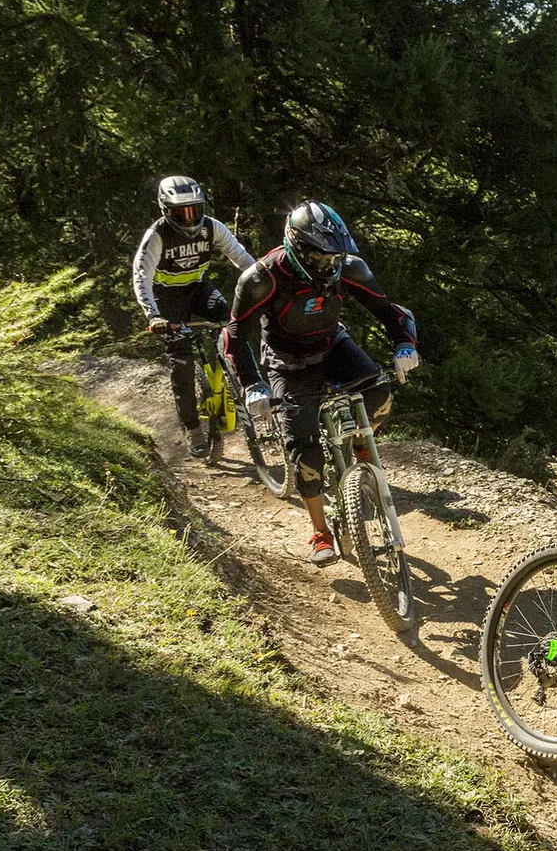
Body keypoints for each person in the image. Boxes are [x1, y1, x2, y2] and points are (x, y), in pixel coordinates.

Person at [224, 201, 419, 565]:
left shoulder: (349, 268)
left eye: (336, 257)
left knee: (379, 393)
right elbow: (235, 336)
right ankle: (320, 531)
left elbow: (389, 311)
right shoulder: (262, 278)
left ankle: (361, 447)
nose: (330, 266)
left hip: (333, 345)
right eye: (321, 257)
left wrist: (405, 345)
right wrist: (253, 384)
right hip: (287, 364)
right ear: (298, 248)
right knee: (305, 453)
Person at [132, 175, 256, 457]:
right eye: (180, 212)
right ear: (166, 210)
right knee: (182, 361)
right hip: (166, 298)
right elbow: (141, 277)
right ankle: (192, 427)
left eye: (194, 211)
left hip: (199, 289)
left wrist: (267, 290)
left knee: (235, 325)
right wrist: (153, 316)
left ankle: (254, 386)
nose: (189, 219)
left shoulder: (214, 228)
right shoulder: (157, 236)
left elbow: (244, 261)